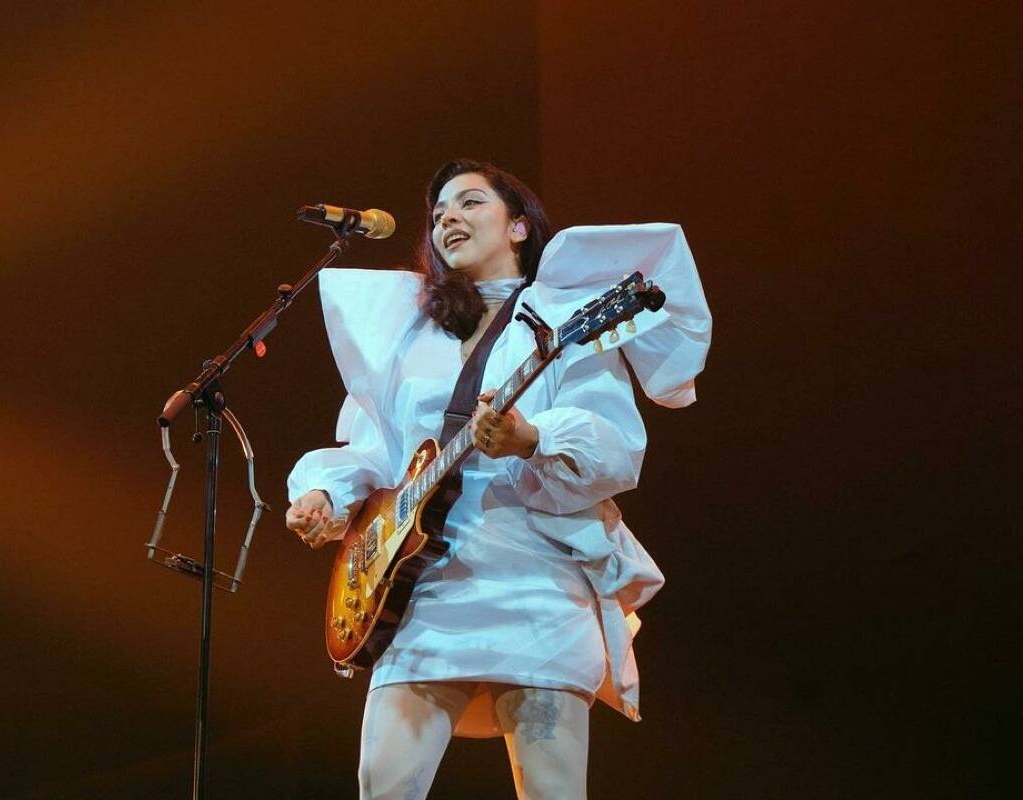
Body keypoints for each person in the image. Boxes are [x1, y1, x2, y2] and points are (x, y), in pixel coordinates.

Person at [286, 158, 711, 799]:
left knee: (550, 789)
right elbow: (376, 448)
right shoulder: (411, 335)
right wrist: (326, 493)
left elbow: (616, 445)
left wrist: (531, 438)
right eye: (438, 214)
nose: (447, 219)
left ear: (518, 226)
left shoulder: (565, 319)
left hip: (538, 579)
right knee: (383, 786)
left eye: (469, 202)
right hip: (421, 584)